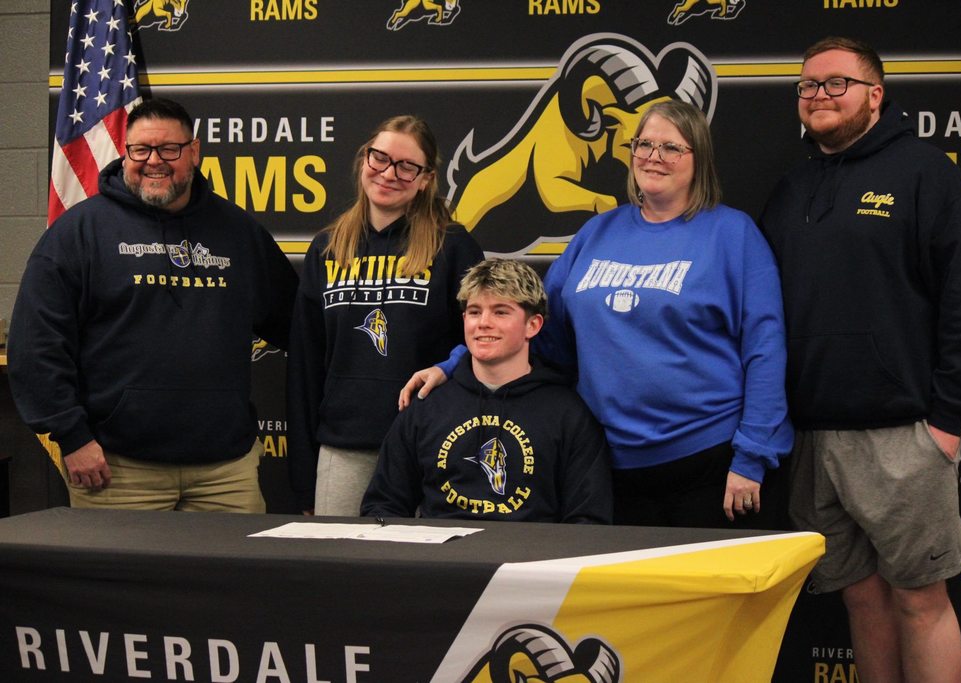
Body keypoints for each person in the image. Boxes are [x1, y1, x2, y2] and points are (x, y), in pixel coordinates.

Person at [402, 100, 792, 529]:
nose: (654, 157)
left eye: (671, 147)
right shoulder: (598, 232)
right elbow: (535, 326)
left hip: (710, 463)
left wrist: (752, 456)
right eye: (644, 144)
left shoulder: (733, 234)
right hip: (609, 465)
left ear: (698, 158)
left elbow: (765, 349)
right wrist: (455, 364)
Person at [759, 37, 961, 683]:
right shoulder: (791, 189)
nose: (819, 95)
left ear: (875, 94)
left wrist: (946, 420)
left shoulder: (926, 174)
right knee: (861, 600)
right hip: (811, 438)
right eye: (808, 85)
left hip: (904, 435)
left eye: (836, 82)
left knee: (921, 601)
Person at [8, 97, 297, 513]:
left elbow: (296, 324)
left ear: (194, 152)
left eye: (169, 149)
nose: (153, 161)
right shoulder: (80, 232)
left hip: (226, 472)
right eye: (141, 149)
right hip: (116, 470)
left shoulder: (238, 233)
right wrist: (72, 436)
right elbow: (36, 344)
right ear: (126, 153)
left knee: (234, 561)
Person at [288, 115, 483, 516]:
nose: (389, 173)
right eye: (380, 158)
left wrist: (449, 366)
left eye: (407, 166)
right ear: (364, 158)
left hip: (430, 444)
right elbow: (305, 366)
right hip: (344, 447)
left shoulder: (453, 246)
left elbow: (484, 341)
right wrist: (303, 477)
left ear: (426, 178)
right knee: (336, 555)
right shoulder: (327, 248)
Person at [361, 259, 612, 523]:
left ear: (533, 325)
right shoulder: (426, 406)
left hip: (530, 550)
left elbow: (588, 520)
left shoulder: (569, 415)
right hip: (440, 549)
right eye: (474, 312)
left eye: (500, 312)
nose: (483, 323)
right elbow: (383, 505)